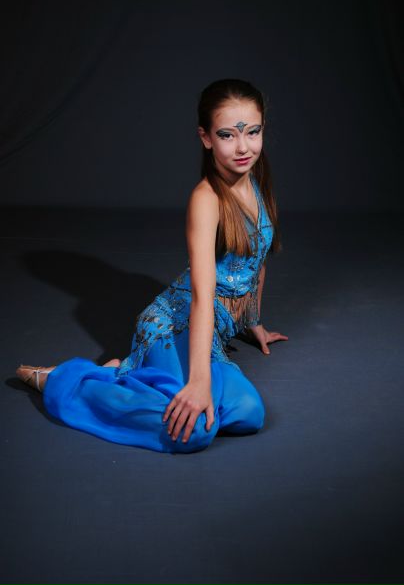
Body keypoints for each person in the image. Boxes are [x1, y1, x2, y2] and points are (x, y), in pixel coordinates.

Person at [16, 78, 288, 454]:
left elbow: (257, 258)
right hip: (173, 324)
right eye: (227, 135)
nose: (243, 147)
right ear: (206, 138)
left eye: (252, 132)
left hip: (211, 330)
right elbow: (202, 296)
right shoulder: (206, 199)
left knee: (248, 414)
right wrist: (198, 382)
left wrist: (253, 321)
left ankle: (130, 374)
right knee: (196, 432)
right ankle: (71, 380)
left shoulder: (256, 180)